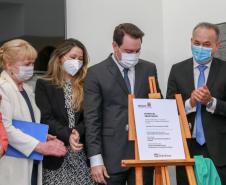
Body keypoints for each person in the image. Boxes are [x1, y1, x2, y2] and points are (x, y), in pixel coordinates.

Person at [84, 23, 162, 185]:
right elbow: (92, 119)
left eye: (137, 51)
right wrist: (95, 159)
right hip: (111, 156)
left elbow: (157, 106)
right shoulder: (96, 73)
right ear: (115, 46)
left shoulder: (148, 68)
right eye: (128, 51)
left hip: (143, 153)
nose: (133, 55)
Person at [0, 39, 67, 185]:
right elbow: (5, 129)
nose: (30, 68)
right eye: (26, 64)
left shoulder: (28, 89)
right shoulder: (2, 88)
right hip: (12, 164)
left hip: (32, 161)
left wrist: (42, 136)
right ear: (8, 64)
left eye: (32, 63)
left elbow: (27, 122)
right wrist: (40, 145)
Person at [166, 22, 226, 185]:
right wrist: (190, 103)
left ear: (216, 46)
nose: (201, 48)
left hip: (219, 149)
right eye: (197, 43)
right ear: (191, 41)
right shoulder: (177, 70)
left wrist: (211, 102)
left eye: (206, 44)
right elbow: (168, 110)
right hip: (186, 147)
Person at [35, 38, 96, 185]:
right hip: (56, 154)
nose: (76, 62)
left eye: (80, 59)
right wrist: (68, 135)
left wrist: (77, 133)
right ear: (60, 58)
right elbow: (45, 118)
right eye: (73, 57)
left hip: (81, 154)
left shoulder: (87, 84)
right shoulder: (44, 84)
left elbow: (90, 116)